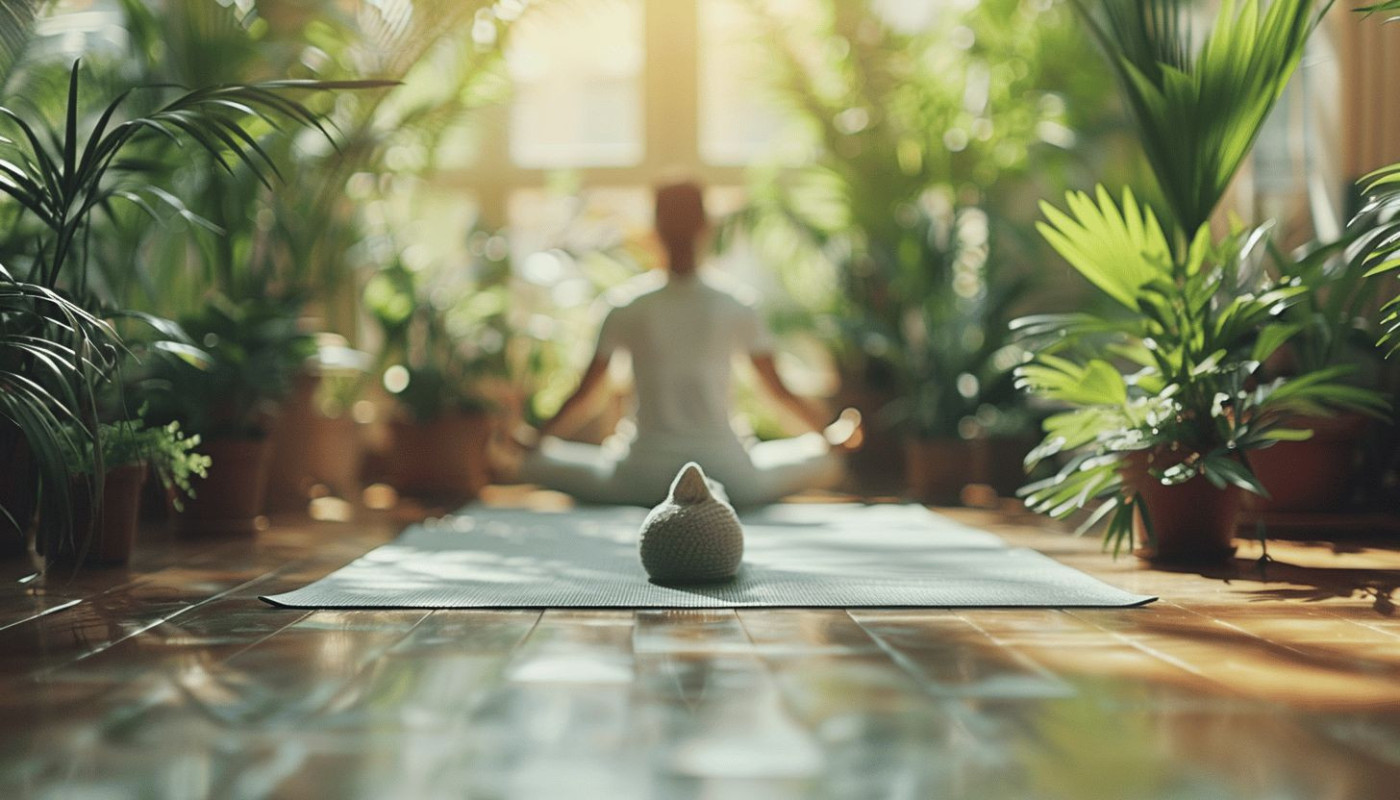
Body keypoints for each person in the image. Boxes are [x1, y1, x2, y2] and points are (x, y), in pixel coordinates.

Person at [516, 181, 860, 508]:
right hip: (729, 478)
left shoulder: (626, 305)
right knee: (829, 461)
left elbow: (586, 394)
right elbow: (777, 392)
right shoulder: (736, 304)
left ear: (654, 229)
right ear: (706, 226)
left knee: (533, 462)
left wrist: (535, 439)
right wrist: (826, 435)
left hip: (640, 477)